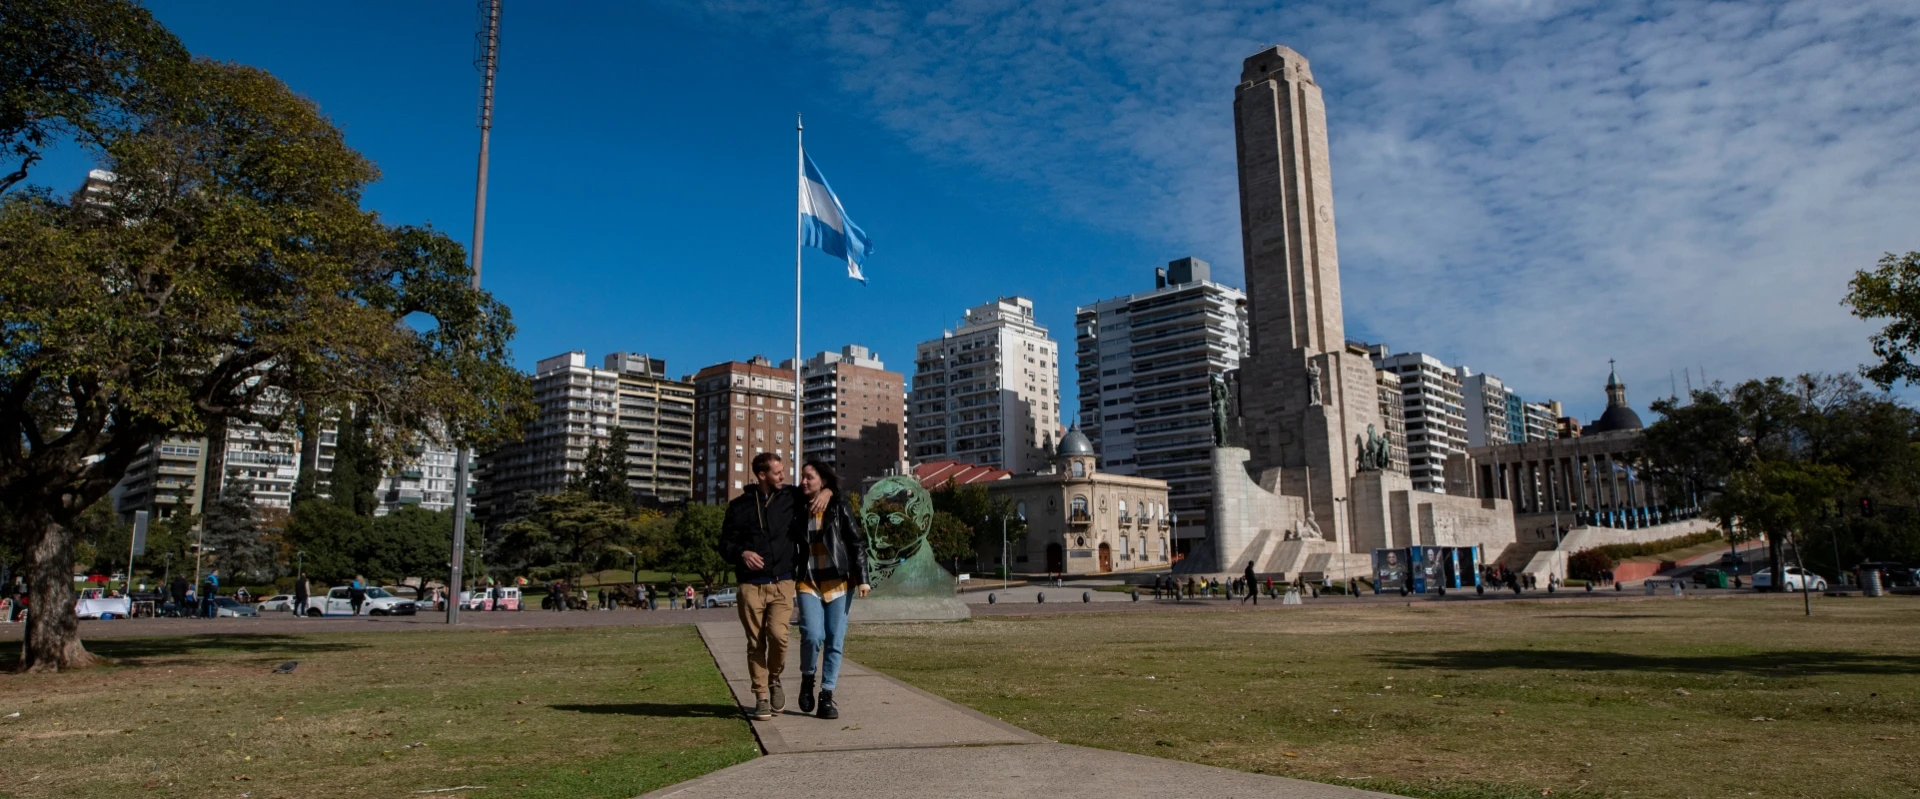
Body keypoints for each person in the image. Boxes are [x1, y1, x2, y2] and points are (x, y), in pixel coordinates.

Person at [718, 452, 831, 722]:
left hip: (782, 582)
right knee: (755, 643)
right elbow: (725, 544)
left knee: (779, 636)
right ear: (761, 475)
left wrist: (826, 491)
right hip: (750, 586)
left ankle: (775, 678)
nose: (784, 476)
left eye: (783, 471)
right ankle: (761, 697)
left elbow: (825, 488)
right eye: (778, 472)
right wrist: (742, 553)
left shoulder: (791, 497)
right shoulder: (739, 506)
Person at [790, 461, 870, 721]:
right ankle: (807, 678)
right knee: (813, 635)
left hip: (839, 583)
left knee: (835, 639)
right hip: (808, 582)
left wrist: (863, 579)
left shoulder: (838, 506)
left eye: (809, 477)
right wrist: (826, 491)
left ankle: (826, 696)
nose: (803, 481)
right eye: (802, 477)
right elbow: (783, 494)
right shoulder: (798, 506)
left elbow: (856, 542)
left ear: (822, 480)